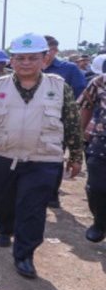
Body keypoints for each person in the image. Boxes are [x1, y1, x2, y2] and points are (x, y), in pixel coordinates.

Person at [0, 33, 83, 279]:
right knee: (2, 201)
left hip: (44, 159)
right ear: (12, 60)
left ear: (45, 58)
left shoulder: (59, 87)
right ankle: (4, 228)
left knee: (32, 208)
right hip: (3, 156)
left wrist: (75, 155)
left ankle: (24, 254)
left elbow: (73, 123)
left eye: (33, 58)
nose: (26, 63)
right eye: (21, 58)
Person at [42, 35, 87, 208]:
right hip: (33, 121)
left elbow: (80, 94)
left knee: (54, 157)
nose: (45, 54)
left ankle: (52, 194)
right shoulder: (31, 67)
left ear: (55, 50)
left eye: (48, 50)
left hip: (58, 122)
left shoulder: (68, 69)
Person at [78, 63, 106, 242]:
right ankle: (100, 222)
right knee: (96, 188)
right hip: (101, 141)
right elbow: (86, 106)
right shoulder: (100, 82)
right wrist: (80, 135)